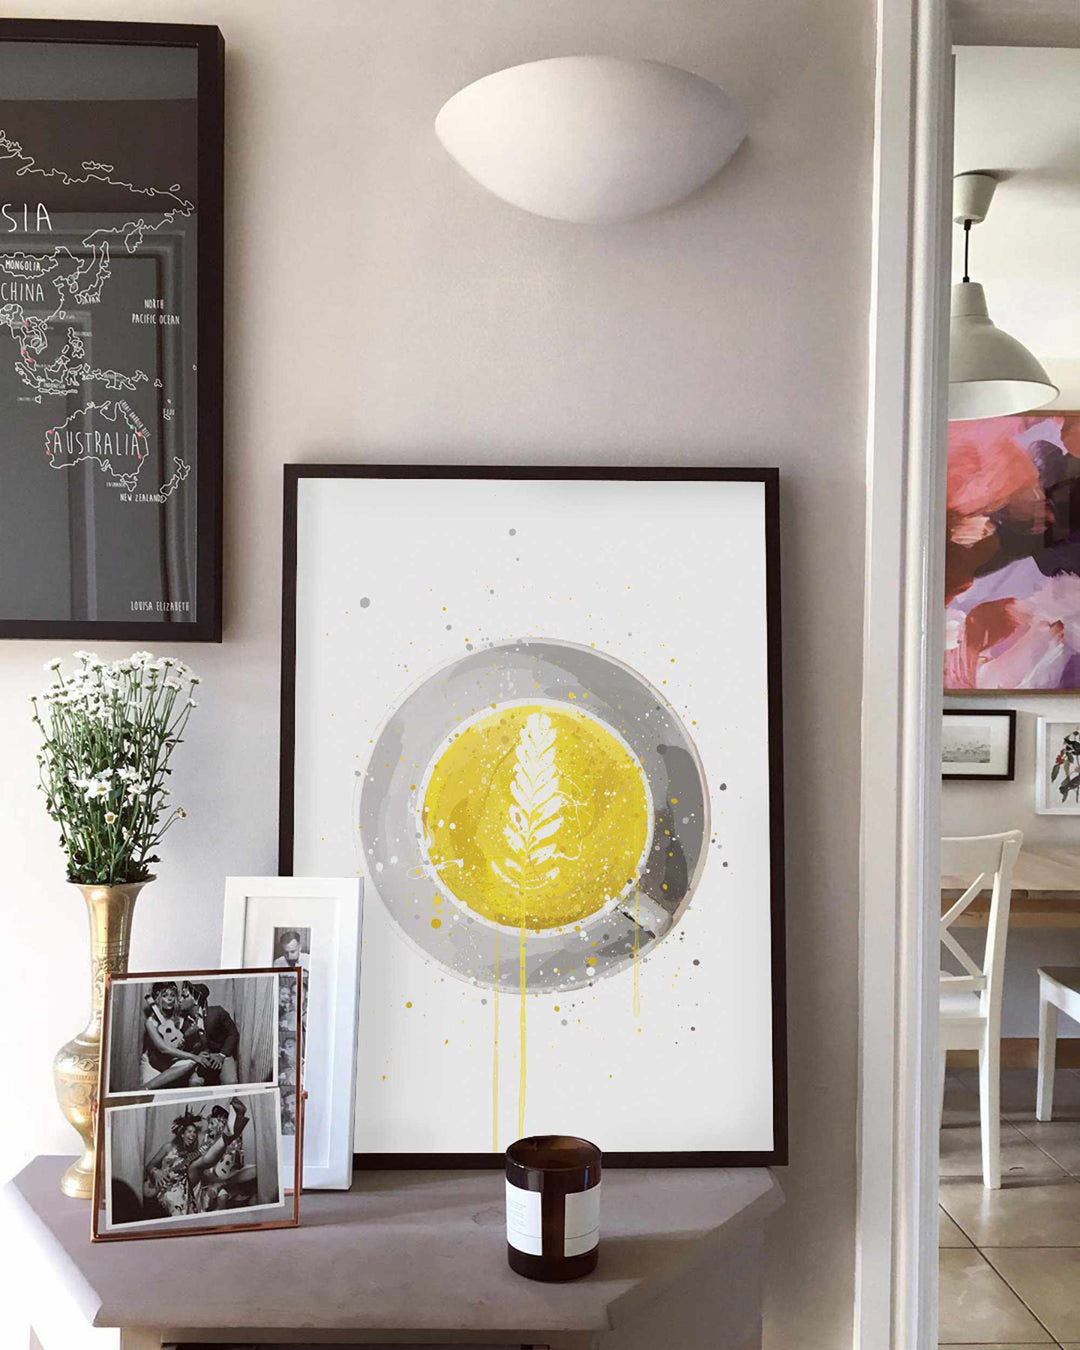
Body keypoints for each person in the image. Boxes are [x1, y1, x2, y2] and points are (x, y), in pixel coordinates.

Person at [142, 1099, 250, 1218]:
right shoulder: (168, 1147)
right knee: (198, 1165)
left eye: (194, 1132)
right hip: (168, 1189)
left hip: (185, 1185)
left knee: (198, 1164)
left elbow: (206, 1164)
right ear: (182, 1134)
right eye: (189, 1132)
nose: (192, 1135)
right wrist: (156, 1172)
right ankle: (231, 1130)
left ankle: (230, 1130)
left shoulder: (194, 1152)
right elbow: (149, 1165)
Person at [138, 982, 205, 1089]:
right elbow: (163, 1049)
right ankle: (145, 1089)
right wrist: (194, 1057)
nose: (170, 999)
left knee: (190, 1064)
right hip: (154, 1065)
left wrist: (189, 1040)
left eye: (172, 995)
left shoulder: (182, 1019)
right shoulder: (150, 1022)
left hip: (174, 1065)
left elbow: (194, 1045)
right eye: (165, 996)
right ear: (157, 999)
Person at [178, 981, 240, 1086]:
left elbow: (233, 1034)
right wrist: (196, 1055)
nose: (180, 1000)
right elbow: (183, 1049)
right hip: (200, 1059)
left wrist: (222, 1055)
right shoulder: (183, 1022)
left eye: (184, 997)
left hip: (222, 1054)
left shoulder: (217, 1012)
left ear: (196, 1000)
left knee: (231, 1083)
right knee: (194, 1083)